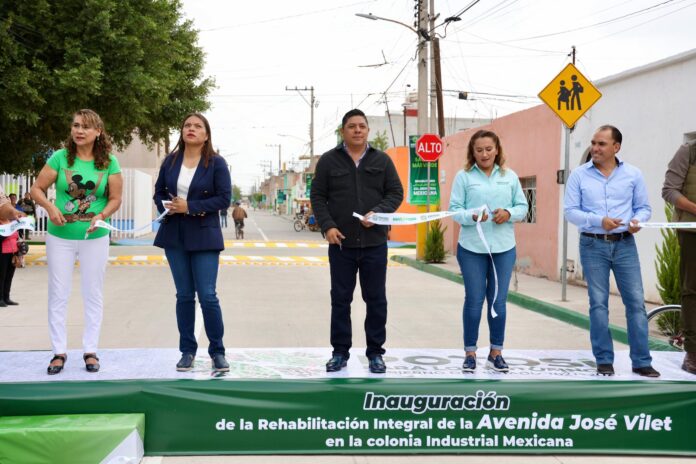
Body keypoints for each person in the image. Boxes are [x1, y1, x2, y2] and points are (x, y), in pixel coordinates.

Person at [310, 108, 403, 374]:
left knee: (376, 300)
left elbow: (396, 192)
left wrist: (379, 212)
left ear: (368, 130)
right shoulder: (329, 161)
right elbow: (318, 196)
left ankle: (375, 353)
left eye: (362, 126)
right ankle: (339, 353)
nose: (357, 130)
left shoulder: (382, 160)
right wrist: (328, 226)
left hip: (375, 244)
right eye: (352, 126)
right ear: (343, 131)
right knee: (340, 300)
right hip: (341, 244)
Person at [31, 109, 123, 375]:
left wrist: (101, 215)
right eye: (75, 125)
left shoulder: (110, 163)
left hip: (95, 238)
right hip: (59, 238)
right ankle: (58, 352)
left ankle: (90, 351)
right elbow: (36, 189)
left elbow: (115, 198)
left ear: (98, 132)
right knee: (58, 294)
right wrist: (50, 207)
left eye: (86, 127)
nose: (79, 131)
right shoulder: (60, 157)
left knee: (92, 293)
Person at [564, 125, 659, 377]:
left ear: (616, 147)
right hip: (592, 244)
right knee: (598, 304)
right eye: (594, 142)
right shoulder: (579, 176)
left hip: (625, 244)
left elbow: (644, 208)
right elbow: (570, 211)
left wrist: (638, 221)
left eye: (601, 144)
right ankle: (604, 359)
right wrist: (599, 221)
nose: (595, 148)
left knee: (636, 303)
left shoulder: (633, 174)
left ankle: (641, 361)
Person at [153, 113, 231, 373]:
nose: (191, 129)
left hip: (205, 235)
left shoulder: (216, 163)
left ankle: (217, 352)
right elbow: (159, 192)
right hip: (174, 235)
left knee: (207, 296)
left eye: (198, 126)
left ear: (206, 135)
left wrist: (190, 207)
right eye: (187, 125)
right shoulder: (170, 161)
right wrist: (166, 206)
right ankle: (187, 351)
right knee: (184, 295)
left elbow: (224, 199)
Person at [449, 130, 528, 373]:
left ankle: (496, 352)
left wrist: (509, 213)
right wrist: (472, 216)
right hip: (472, 248)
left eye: (488, 149)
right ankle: (470, 353)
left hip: (503, 248)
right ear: (472, 153)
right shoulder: (463, 177)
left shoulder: (509, 176)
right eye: (479, 150)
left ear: (497, 150)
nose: (484, 154)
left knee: (498, 301)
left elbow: (522, 206)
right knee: (474, 301)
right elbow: (455, 209)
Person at [662, 139, 696, 374]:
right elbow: (669, 190)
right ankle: (693, 351)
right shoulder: (689, 150)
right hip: (692, 231)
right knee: (692, 290)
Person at [0, 230, 19, 307]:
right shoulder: (2, 227)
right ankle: (0, 299)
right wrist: (7, 232)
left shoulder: (13, 226)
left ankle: (6, 298)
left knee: (9, 276)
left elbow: (16, 239)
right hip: (3, 254)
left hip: (13, 254)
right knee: (1, 277)